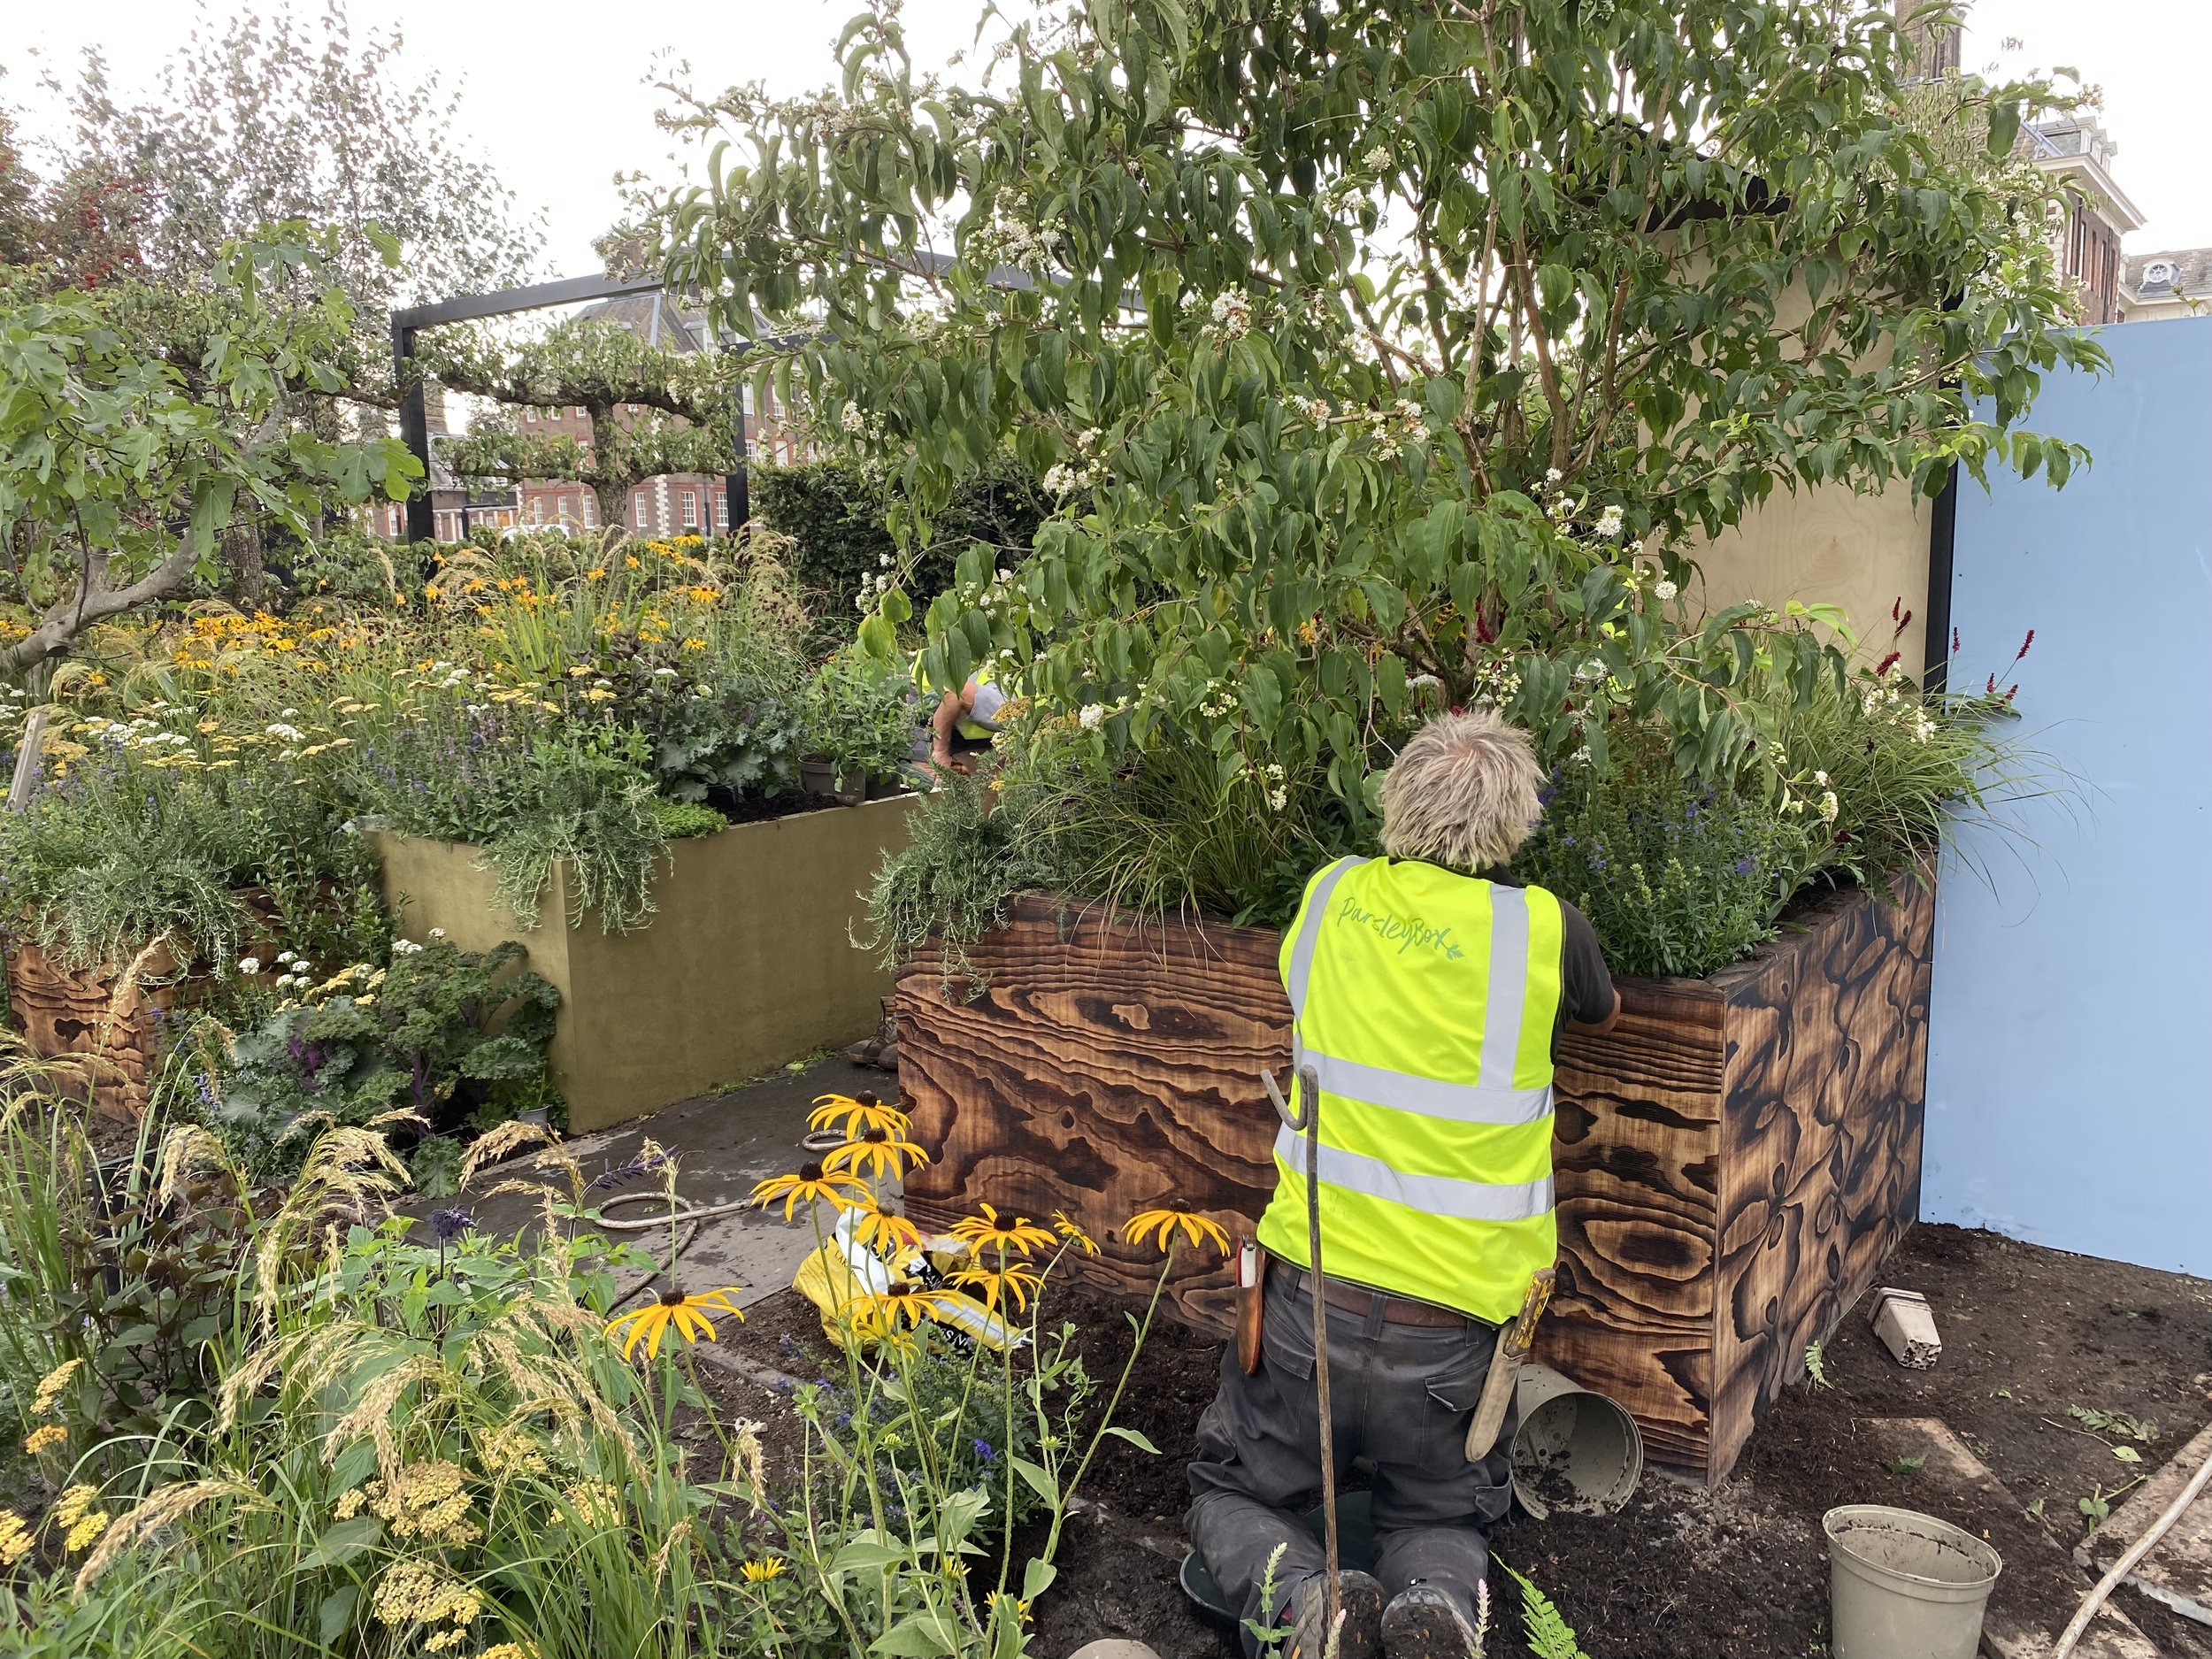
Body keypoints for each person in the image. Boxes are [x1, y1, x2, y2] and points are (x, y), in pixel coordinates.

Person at [1187, 710, 1619, 1659]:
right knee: (1439, 1511)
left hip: (1308, 1309)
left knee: (1230, 1491)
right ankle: (1436, 1603)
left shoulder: (1332, 897)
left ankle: (1306, 1604)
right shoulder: (1546, 929)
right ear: (1515, 822)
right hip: (1454, 1335)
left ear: (1398, 805)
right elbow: (1598, 1005)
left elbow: (1303, 987)